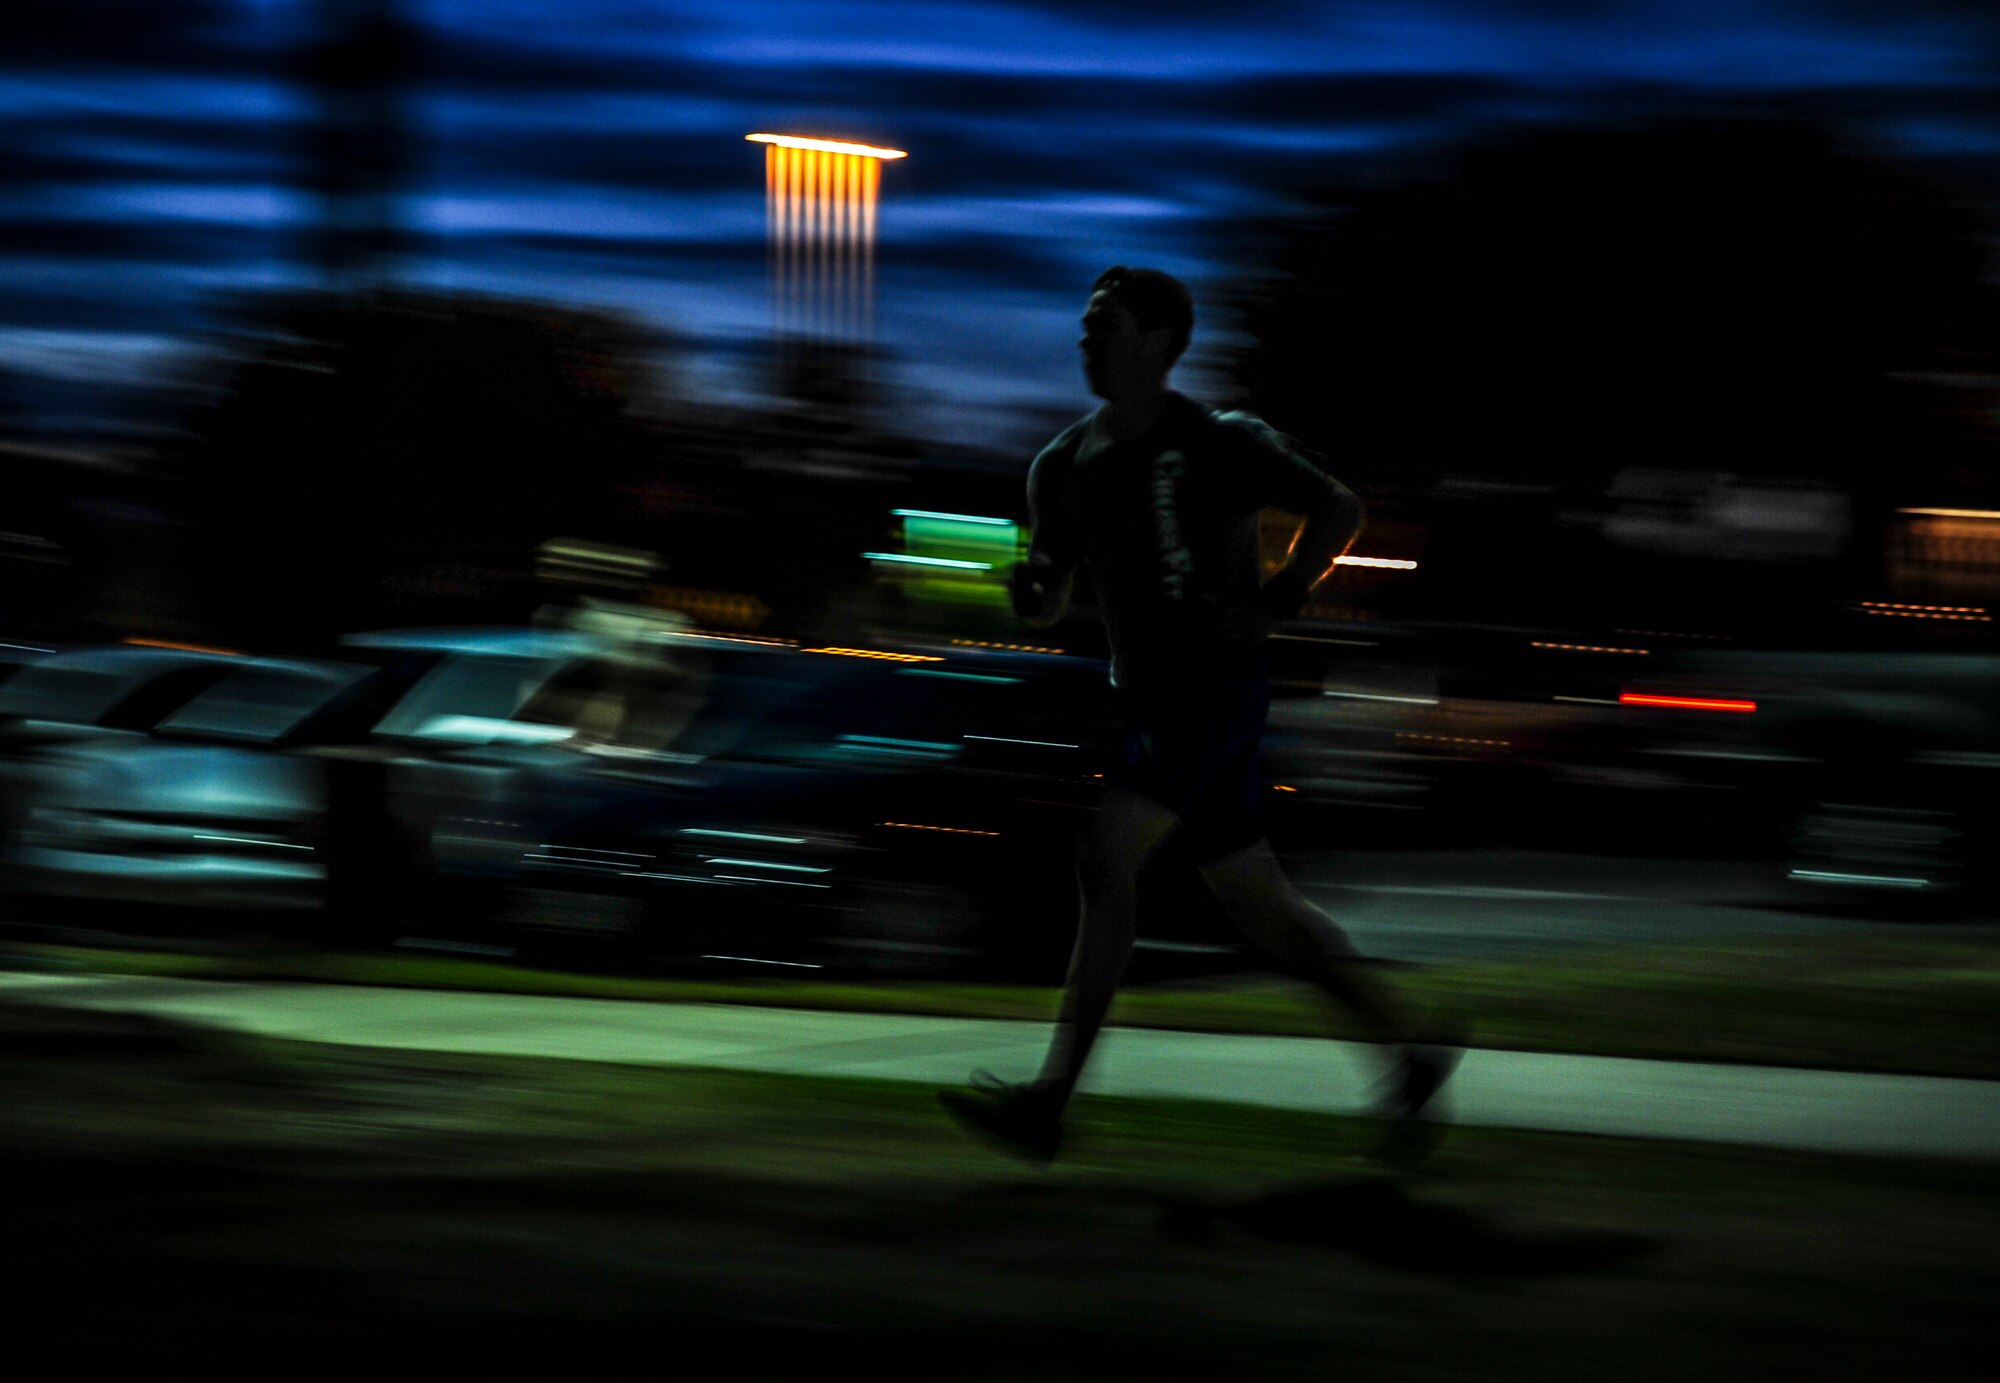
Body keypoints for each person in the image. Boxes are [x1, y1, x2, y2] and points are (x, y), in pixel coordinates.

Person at [939, 266, 1460, 1162]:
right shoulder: (1059, 466)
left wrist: (1282, 595)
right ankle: (1410, 1052)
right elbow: (1049, 598)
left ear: (1158, 342)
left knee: (1106, 857)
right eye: (1085, 322)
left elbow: (1339, 507)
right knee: (1265, 913)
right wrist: (1030, 592)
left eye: (1105, 323)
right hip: (1147, 703)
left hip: (1217, 691)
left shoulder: (1218, 442)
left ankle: (1049, 1105)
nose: (1084, 337)